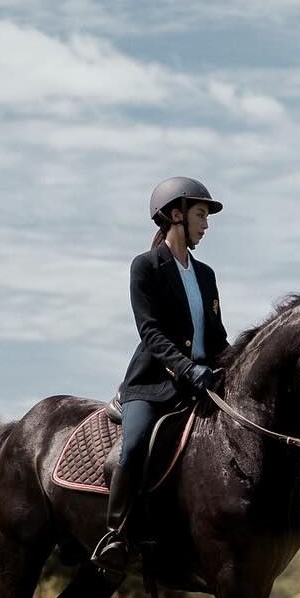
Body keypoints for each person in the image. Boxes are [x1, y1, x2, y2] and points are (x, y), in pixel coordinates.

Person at [91, 175, 228, 576]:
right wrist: (187, 368)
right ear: (175, 215)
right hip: (152, 383)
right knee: (133, 449)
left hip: (202, 381)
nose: (206, 224)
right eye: (201, 214)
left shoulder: (206, 275)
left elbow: (217, 336)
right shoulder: (145, 267)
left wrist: (231, 365)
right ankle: (115, 534)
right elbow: (149, 332)